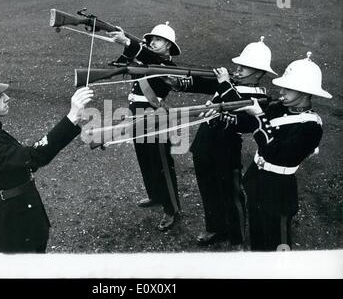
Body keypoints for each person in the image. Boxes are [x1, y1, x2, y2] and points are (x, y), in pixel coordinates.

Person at [0, 65, 93, 253]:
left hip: (24, 218)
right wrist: (70, 117)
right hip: (14, 228)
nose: (6, 98)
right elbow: (33, 157)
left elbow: (21, 165)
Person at [207, 51, 332, 251]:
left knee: (277, 244)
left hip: (279, 188)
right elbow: (248, 124)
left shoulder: (311, 127)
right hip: (256, 179)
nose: (281, 91)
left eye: (288, 89)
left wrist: (258, 117)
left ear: (305, 92)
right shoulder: (279, 107)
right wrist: (222, 118)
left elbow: (275, 152)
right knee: (257, 237)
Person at [189, 37, 277, 249]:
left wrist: (226, 83)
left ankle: (237, 237)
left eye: (243, 68)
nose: (237, 70)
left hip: (226, 149)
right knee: (207, 188)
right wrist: (179, 82)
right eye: (238, 66)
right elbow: (201, 83)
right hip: (205, 141)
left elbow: (244, 121)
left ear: (258, 73)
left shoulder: (260, 97)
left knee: (231, 194)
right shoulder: (231, 84)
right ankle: (215, 227)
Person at [107, 22, 183, 231]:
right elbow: (120, 63)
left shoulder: (167, 66)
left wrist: (129, 42)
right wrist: (125, 44)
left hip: (155, 118)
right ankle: (155, 196)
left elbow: (150, 59)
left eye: (157, 40)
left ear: (168, 46)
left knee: (161, 165)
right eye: (150, 40)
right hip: (136, 116)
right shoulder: (146, 58)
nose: (151, 42)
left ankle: (172, 209)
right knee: (145, 159)